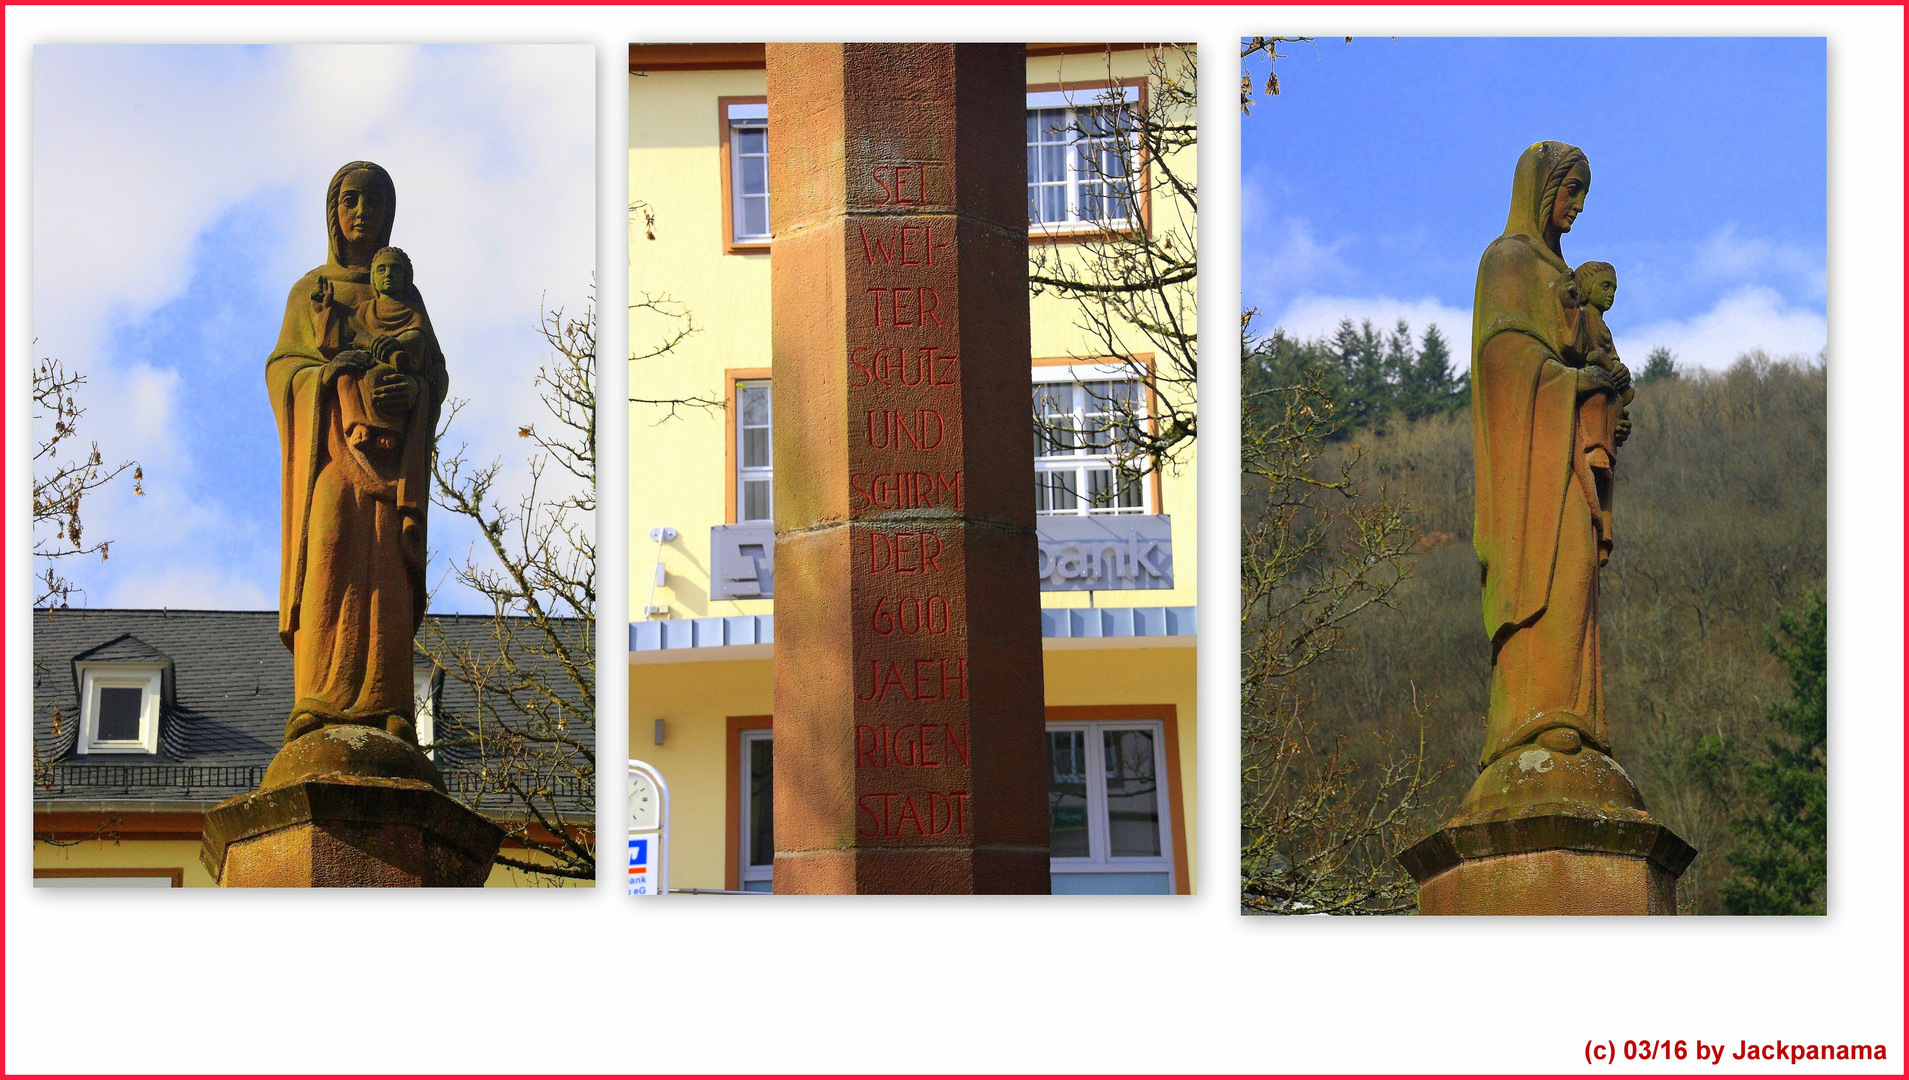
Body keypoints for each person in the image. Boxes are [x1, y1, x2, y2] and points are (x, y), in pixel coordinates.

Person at [267, 162, 447, 745]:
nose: (361, 212)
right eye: (351, 200)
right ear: (332, 212)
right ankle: (315, 701)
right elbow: (284, 371)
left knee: (389, 566)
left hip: (392, 465)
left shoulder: (405, 296)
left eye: (373, 202)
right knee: (330, 545)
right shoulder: (308, 292)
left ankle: (391, 703)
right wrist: (325, 381)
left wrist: (414, 391)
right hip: (332, 456)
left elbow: (435, 375)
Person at [1469, 141, 1620, 772]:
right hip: (1532, 459)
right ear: (1541, 190)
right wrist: (1571, 383)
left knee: (1578, 573)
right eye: (1572, 191)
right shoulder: (1506, 261)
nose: (1579, 206)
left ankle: (1576, 717)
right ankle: (1530, 722)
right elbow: (1501, 359)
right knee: (1549, 572)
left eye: (1584, 193)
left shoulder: (1565, 280)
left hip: (1570, 457)